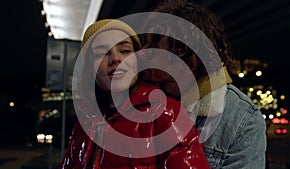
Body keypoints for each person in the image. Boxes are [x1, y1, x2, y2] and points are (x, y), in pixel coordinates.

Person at [59, 19, 210, 169]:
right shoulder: (85, 119)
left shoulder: (166, 113)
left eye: (125, 51)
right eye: (101, 53)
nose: (115, 59)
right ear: (89, 69)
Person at [140, 0, 267, 168]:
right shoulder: (138, 98)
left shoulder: (241, 119)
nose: (143, 53)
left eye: (155, 47)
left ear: (190, 59)